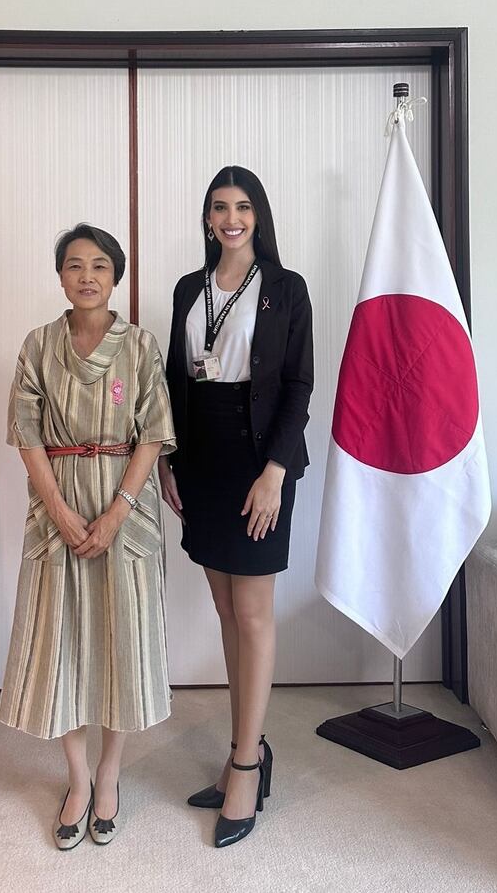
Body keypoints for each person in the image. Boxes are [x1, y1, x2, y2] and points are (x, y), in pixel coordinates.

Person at [0, 223, 176, 850]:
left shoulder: (141, 346)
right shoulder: (38, 345)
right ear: (60, 276)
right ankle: (76, 778)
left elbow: (152, 432)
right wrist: (61, 511)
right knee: (61, 647)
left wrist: (117, 510)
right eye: (75, 265)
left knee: (120, 647)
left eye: (100, 265)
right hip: (57, 513)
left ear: (116, 274)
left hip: (125, 510)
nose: (87, 276)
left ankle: (109, 775)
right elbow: (26, 433)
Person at [158, 166, 313, 849]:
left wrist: (275, 472)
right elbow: (171, 377)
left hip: (258, 462)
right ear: (207, 217)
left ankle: (247, 765)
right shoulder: (189, 289)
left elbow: (300, 384)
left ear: (259, 216)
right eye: (220, 207)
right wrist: (166, 460)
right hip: (202, 460)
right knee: (225, 609)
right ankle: (240, 747)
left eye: (243, 207)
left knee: (251, 614)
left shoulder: (286, 288)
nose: (231, 218)